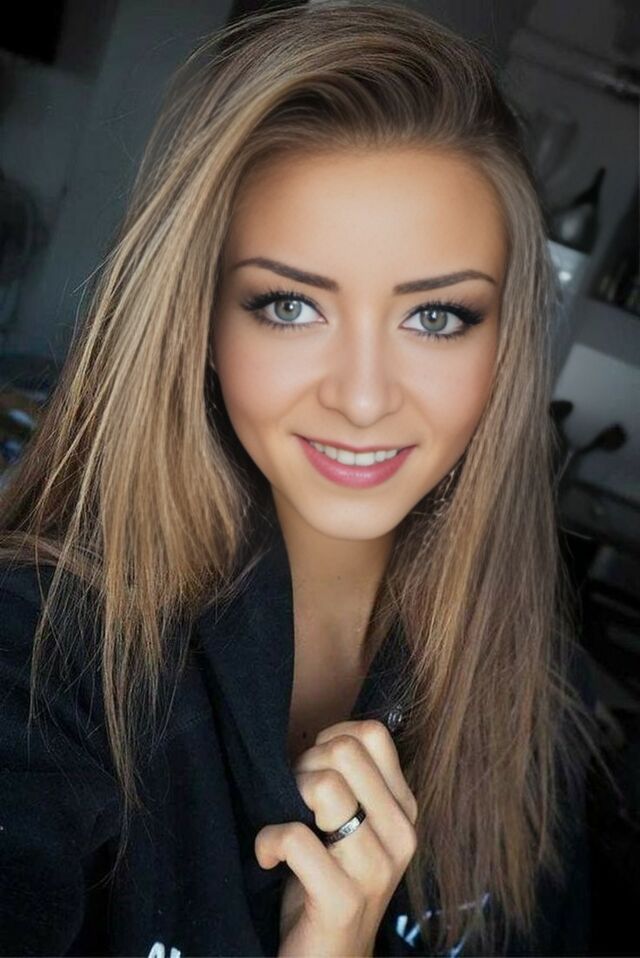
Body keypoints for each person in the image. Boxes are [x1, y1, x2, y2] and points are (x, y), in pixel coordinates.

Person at [0, 2, 608, 955]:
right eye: (289, 305)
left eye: (437, 318)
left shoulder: (538, 701)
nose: (362, 398)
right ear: (201, 321)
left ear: (507, 349)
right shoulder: (43, 655)